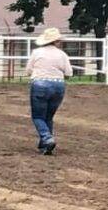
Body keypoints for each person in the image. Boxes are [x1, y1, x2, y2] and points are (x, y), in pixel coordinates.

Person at [24, 27, 73, 156]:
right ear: (56, 41)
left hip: (40, 84)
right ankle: (44, 145)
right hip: (58, 85)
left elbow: (28, 70)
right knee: (48, 117)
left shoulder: (37, 53)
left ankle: (46, 138)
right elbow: (69, 73)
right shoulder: (62, 54)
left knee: (38, 116)